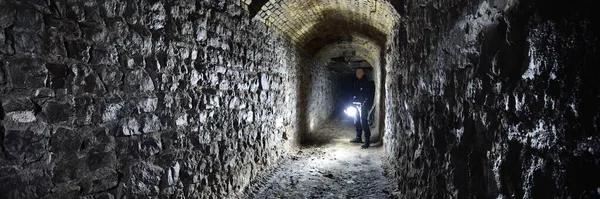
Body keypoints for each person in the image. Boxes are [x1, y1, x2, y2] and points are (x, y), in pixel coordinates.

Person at [349, 68, 375, 148]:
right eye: (357, 72)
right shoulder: (357, 82)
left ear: (363, 73)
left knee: (364, 122)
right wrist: (352, 102)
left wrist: (364, 104)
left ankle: (367, 141)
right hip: (356, 104)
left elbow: (368, 95)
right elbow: (355, 93)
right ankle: (358, 137)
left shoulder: (366, 83)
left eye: (359, 72)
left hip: (362, 105)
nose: (358, 74)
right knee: (356, 121)